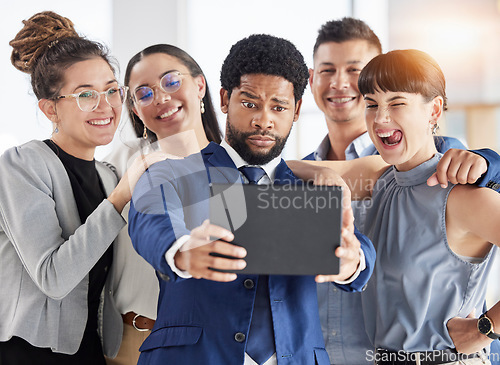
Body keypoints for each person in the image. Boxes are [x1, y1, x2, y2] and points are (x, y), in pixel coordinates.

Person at [127, 34, 376, 365]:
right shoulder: (173, 172)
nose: (264, 120)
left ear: (297, 110)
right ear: (225, 98)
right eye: (249, 103)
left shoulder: (312, 187)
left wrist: (353, 261)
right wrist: (181, 251)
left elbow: (356, 244)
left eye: (278, 107)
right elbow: (149, 218)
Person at [304, 17, 500, 365]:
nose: (380, 119)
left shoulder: (463, 194)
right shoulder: (382, 180)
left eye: (396, 103)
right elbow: (294, 171)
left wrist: (485, 329)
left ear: (434, 110)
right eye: (372, 104)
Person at [0, 11, 163, 365]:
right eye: (85, 94)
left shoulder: (107, 174)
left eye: (111, 90)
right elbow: (53, 277)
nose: (105, 106)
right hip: (29, 353)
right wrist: (121, 197)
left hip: (90, 351)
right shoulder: (21, 166)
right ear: (50, 109)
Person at [103, 44, 222, 365]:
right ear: (136, 110)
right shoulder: (122, 161)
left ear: (199, 85)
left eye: (171, 82)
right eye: (144, 93)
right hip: (127, 343)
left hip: (206, 346)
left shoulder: (233, 167)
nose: (161, 98)